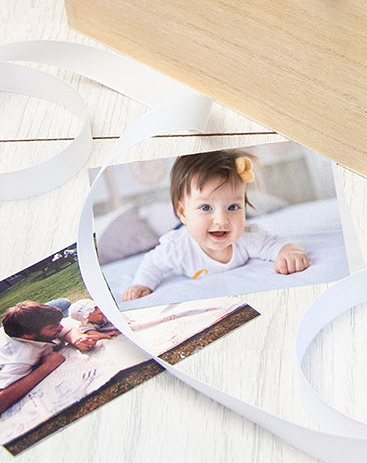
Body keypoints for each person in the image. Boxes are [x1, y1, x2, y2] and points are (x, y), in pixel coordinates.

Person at [123, 150, 310, 301]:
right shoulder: (176, 248)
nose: (221, 220)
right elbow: (152, 264)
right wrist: (141, 284)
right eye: (206, 207)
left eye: (233, 207)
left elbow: (274, 244)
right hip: (184, 232)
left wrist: (289, 252)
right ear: (182, 212)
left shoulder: (247, 238)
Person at [0, 301, 98, 414]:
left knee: (65, 302)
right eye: (52, 327)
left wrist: (77, 339)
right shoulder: (20, 359)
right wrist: (47, 367)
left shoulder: (32, 330)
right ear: (28, 335)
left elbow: (67, 330)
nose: (60, 327)